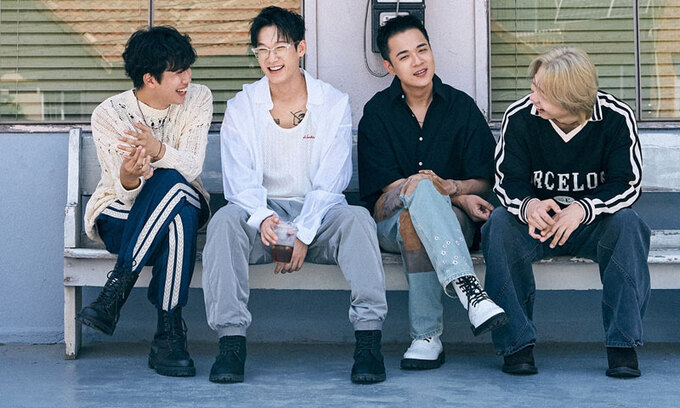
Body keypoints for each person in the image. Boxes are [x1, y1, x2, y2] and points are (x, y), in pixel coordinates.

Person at [202, 6, 388, 384]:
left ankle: (369, 342)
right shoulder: (242, 106)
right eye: (262, 50)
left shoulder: (332, 103)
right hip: (262, 218)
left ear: (300, 48)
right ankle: (231, 343)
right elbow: (240, 182)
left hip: (319, 215)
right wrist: (264, 218)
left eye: (280, 47)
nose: (271, 58)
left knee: (357, 219)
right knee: (223, 222)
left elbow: (332, 181)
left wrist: (302, 232)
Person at [483, 46, 650, 378]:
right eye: (533, 87)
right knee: (498, 224)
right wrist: (529, 206)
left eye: (542, 93)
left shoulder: (615, 116)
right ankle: (516, 346)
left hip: (592, 225)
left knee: (628, 224)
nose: (533, 97)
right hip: (538, 226)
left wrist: (583, 209)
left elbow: (627, 183)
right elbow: (507, 181)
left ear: (571, 98)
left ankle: (622, 346)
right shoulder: (520, 116)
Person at [358, 15, 507, 371]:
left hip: (453, 224)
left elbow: (484, 180)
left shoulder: (461, 107)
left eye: (422, 49)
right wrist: (454, 194)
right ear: (389, 66)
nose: (418, 61)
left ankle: (427, 338)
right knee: (416, 197)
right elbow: (390, 188)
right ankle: (469, 290)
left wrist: (454, 188)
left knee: (416, 222)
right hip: (388, 219)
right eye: (404, 56)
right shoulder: (377, 113)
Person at [77, 26, 212, 377]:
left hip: (178, 206)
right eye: (177, 72)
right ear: (150, 79)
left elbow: (191, 167)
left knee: (175, 186)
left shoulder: (198, 98)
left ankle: (116, 289)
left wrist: (157, 150)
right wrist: (129, 177)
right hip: (121, 219)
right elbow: (122, 192)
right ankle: (169, 334)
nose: (187, 79)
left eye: (188, 68)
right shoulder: (110, 114)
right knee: (178, 214)